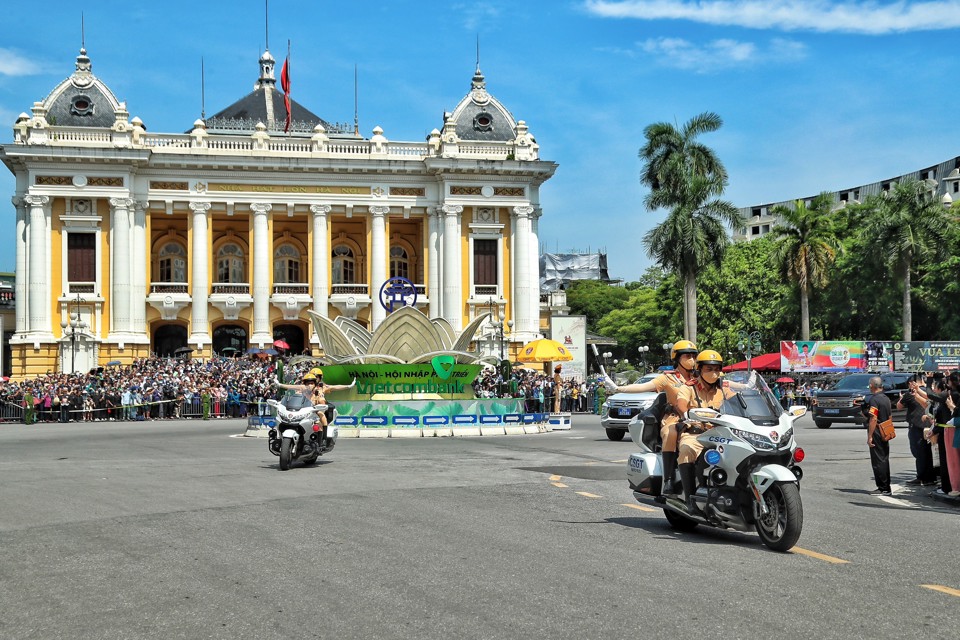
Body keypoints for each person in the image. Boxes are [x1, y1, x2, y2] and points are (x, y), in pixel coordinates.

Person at [604, 340, 699, 495]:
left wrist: (747, 385)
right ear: (677, 358)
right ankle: (668, 479)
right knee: (670, 433)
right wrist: (618, 388)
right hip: (675, 418)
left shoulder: (700, 376)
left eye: (694, 356)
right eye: (687, 356)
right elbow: (643, 386)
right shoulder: (668, 378)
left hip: (698, 418)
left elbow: (725, 383)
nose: (692, 360)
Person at [675, 350, 736, 513]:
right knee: (686, 450)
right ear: (699, 369)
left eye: (716, 369)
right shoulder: (689, 388)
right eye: (709, 369)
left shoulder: (724, 389)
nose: (713, 373)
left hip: (721, 434)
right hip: (696, 434)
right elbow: (681, 403)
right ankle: (690, 499)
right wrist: (685, 413)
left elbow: (738, 403)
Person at [275, 367, 355, 436]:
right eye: (313, 376)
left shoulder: (322, 387)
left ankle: (323, 436)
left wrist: (348, 386)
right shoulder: (304, 387)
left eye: (317, 377)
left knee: (321, 415)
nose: (315, 378)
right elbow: (291, 387)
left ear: (320, 378)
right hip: (304, 408)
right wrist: (279, 385)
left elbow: (335, 387)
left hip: (316, 409)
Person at [897, 374, 936, 486]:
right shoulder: (929, 393)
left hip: (917, 427)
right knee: (927, 452)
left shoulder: (910, 394)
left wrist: (901, 398)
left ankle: (922, 477)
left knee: (919, 453)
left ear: (911, 383)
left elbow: (899, 407)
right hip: (929, 426)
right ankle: (930, 477)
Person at [864, 376, 893, 496]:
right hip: (885, 429)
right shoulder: (886, 398)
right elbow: (890, 416)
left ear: (872, 385)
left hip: (877, 431)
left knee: (878, 460)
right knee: (884, 458)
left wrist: (870, 436)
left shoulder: (874, 400)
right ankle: (886, 486)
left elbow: (873, 418)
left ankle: (883, 487)